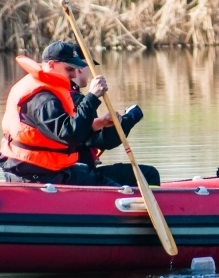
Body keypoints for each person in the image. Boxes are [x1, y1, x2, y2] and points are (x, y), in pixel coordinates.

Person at [0, 40, 118, 185]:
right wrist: (92, 97)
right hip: (35, 172)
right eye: (69, 69)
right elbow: (70, 135)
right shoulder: (43, 98)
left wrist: (99, 123)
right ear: (52, 65)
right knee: (105, 185)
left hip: (45, 168)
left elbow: (64, 129)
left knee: (90, 175)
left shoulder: (46, 88)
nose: (74, 74)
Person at [67, 42, 161, 186]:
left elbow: (85, 136)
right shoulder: (79, 100)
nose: (90, 72)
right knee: (149, 174)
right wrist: (129, 118)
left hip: (72, 171)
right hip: (82, 175)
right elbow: (104, 141)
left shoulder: (60, 96)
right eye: (88, 66)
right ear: (79, 68)